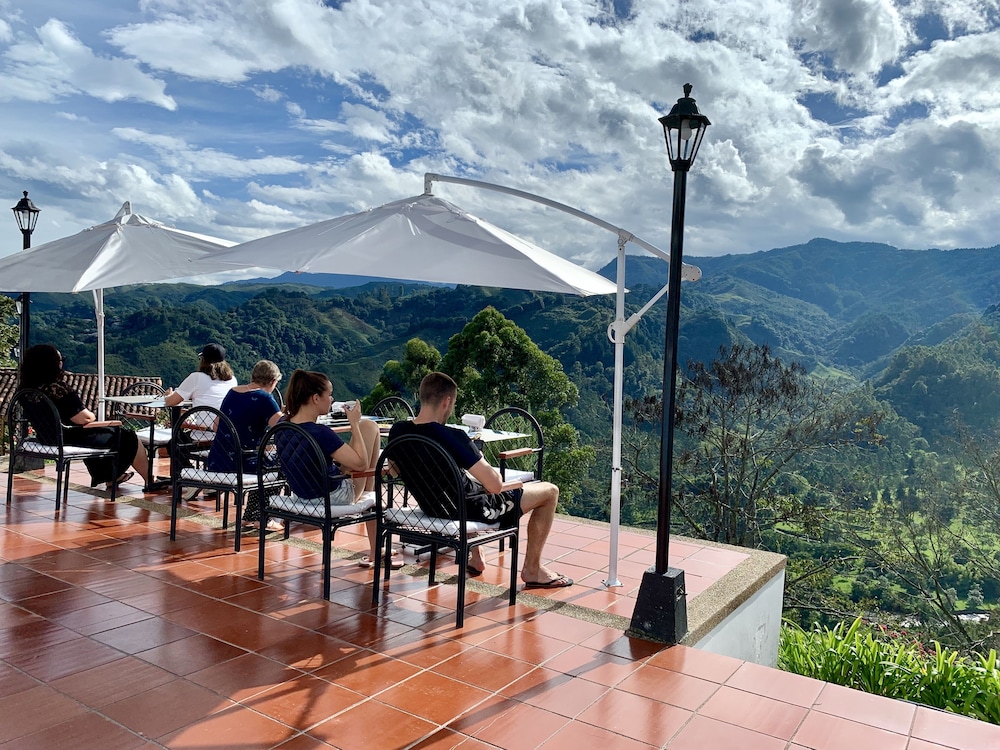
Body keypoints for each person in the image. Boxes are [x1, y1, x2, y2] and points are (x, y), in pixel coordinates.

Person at [389, 371, 572, 588]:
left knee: (464, 485)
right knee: (550, 491)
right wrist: (478, 454)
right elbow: (495, 486)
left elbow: (393, 471)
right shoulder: (453, 437)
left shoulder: (398, 430)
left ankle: (476, 557)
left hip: (432, 505)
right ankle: (533, 569)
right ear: (447, 401)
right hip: (468, 508)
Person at [279, 369, 402, 568]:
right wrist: (354, 424)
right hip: (331, 496)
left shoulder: (282, 424)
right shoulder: (320, 432)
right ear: (316, 398)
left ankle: (371, 503)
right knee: (369, 428)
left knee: (363, 448)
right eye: (329, 394)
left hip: (301, 494)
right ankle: (375, 536)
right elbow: (360, 463)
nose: (332, 398)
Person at [17, 344, 149, 491]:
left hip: (46, 438)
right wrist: (92, 414)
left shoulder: (24, 389)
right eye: (60, 360)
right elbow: (84, 419)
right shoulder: (57, 388)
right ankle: (149, 480)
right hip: (68, 436)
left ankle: (113, 477)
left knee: (102, 436)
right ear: (52, 364)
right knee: (128, 436)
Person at [191, 360, 283, 516]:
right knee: (280, 466)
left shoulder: (233, 392)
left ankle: (254, 513)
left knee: (267, 462)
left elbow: (215, 426)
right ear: (273, 382)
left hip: (218, 460)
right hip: (242, 464)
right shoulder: (264, 398)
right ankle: (257, 515)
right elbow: (283, 426)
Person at [164, 343, 237, 412]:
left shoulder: (196, 377)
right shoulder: (232, 380)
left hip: (202, 425)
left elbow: (171, 402)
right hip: (227, 424)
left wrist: (168, 396)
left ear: (203, 360)